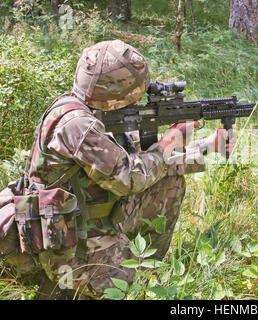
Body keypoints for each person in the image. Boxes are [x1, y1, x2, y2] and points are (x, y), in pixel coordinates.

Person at [5, 39, 236, 299]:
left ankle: (144, 263)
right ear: (115, 91)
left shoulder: (95, 112)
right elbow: (129, 178)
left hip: (91, 219)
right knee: (135, 290)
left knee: (168, 183)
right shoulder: (77, 125)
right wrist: (169, 141)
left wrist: (208, 145)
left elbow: (145, 163)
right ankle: (66, 286)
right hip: (67, 244)